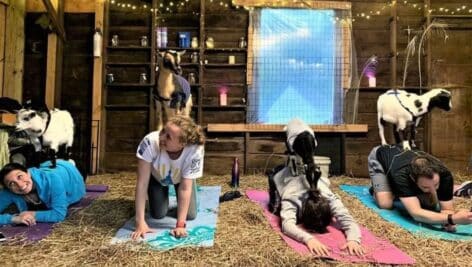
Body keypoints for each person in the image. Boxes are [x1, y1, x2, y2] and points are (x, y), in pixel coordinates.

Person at [269, 118, 364, 257]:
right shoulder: (292, 197)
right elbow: (287, 225)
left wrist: (354, 240)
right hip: (283, 181)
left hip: (310, 175)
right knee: (275, 208)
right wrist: (308, 239)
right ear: (301, 214)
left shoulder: (328, 197)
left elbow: (348, 220)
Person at [132, 115, 205, 240]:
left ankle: (177, 204)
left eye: (168, 137)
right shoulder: (149, 142)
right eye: (163, 131)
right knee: (158, 215)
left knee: (190, 215)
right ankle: (160, 198)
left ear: (182, 144)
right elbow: (142, 183)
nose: (161, 137)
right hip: (157, 178)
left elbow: (185, 188)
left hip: (182, 179)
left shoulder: (195, 149)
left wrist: (180, 225)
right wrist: (140, 222)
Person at [368, 145, 472, 231]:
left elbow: (447, 209)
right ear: (413, 179)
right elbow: (416, 214)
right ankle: (381, 188)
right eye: (425, 187)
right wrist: (452, 218)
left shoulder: (445, 174)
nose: (433, 191)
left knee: (429, 205)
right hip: (380, 156)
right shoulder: (401, 175)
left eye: (436, 185)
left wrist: (450, 222)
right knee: (385, 204)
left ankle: (407, 190)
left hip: (405, 159)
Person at [0, 160, 85, 225]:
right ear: (8, 188)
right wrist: (14, 219)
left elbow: (59, 214)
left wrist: (29, 213)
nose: (20, 184)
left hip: (68, 172)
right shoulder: (9, 191)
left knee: (75, 168)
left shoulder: (53, 179)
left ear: (28, 173)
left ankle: (70, 162)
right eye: (11, 183)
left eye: (19, 176)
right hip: (45, 169)